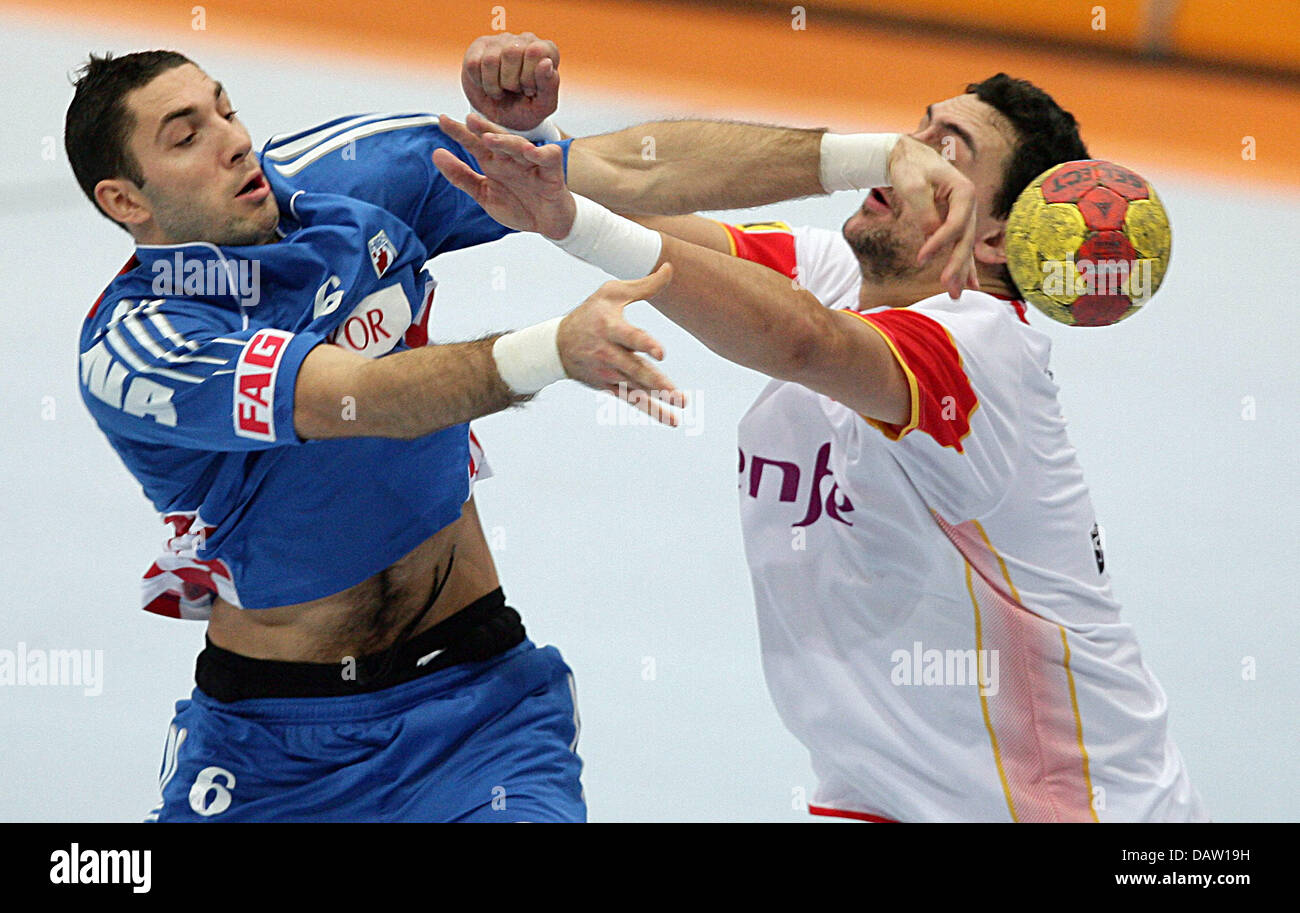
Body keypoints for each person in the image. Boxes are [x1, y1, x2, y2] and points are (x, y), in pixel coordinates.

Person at [438, 32, 1208, 822]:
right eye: (917, 130)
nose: (908, 156)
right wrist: (538, 145)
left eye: (949, 150)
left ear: (993, 238)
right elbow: (653, 205)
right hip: (882, 800)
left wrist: (574, 221)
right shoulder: (846, 275)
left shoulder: (982, 344)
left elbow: (804, 340)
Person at [66, 49, 686, 822]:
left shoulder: (349, 182)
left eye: (226, 109)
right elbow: (365, 398)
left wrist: (859, 156)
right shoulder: (142, 341)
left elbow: (619, 170)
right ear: (125, 199)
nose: (233, 140)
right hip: (273, 756)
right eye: (185, 136)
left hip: (481, 714)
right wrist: (553, 351)